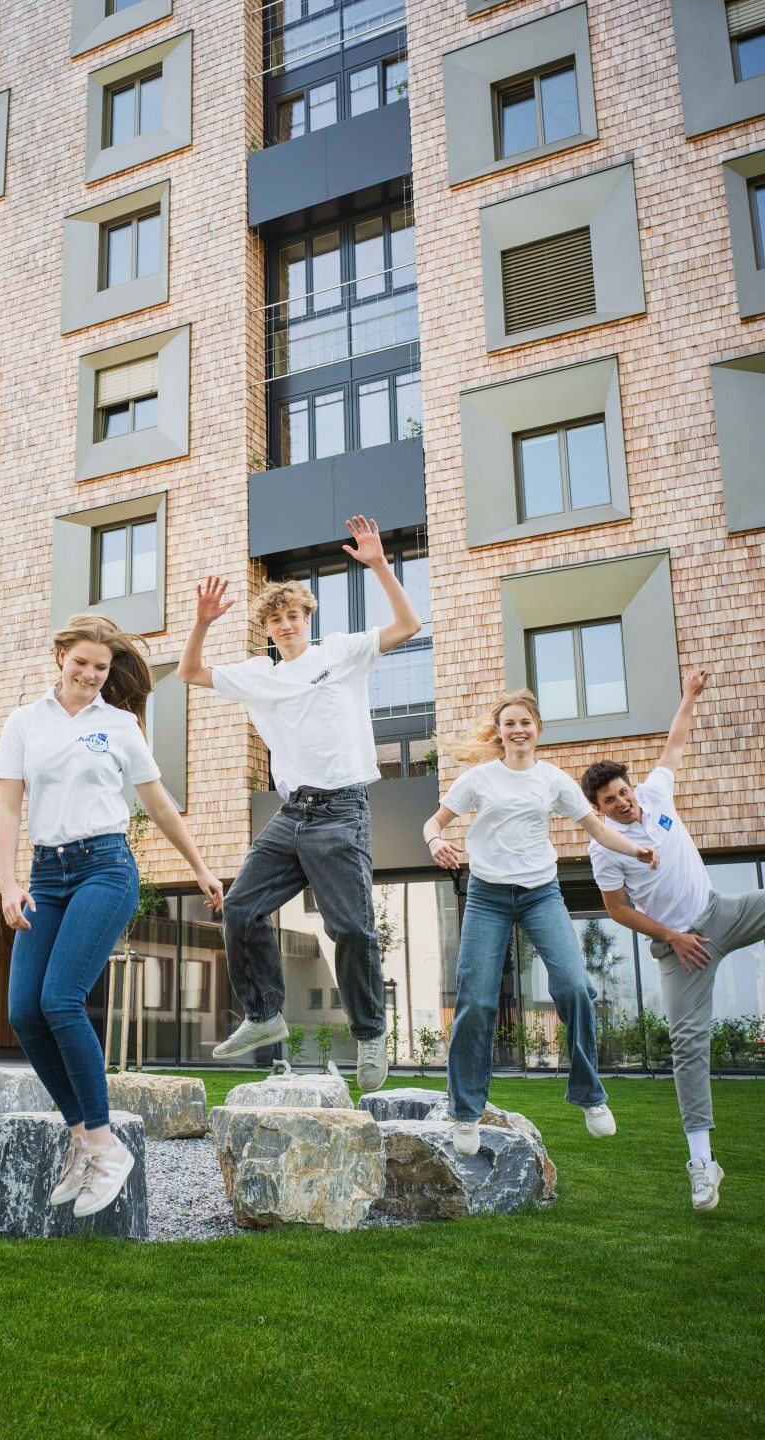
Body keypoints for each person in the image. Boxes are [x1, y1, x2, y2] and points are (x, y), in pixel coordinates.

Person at [178, 516, 422, 1092]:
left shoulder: (340, 652)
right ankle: (264, 1016)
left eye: (294, 616)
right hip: (292, 815)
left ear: (308, 620)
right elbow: (190, 671)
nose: (286, 625)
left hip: (342, 811)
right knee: (240, 907)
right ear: (266, 628)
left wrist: (379, 565)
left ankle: (368, 1033)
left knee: (352, 928)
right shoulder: (257, 674)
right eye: (276, 619)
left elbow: (409, 624)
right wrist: (202, 621)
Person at [0, 614, 223, 1219]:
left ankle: (103, 1143)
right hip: (45, 874)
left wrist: (199, 866)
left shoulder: (120, 726)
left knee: (61, 1000)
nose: (92, 675)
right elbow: (9, 811)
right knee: (24, 1009)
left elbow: (158, 803)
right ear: (60, 655)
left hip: (104, 866)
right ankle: (83, 1136)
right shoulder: (24, 722)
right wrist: (8, 883)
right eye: (83, 663)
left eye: (102, 667)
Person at [423, 691, 658, 1156]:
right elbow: (435, 822)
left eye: (525, 722)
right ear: (500, 732)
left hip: (541, 894)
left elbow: (597, 829)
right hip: (487, 896)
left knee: (573, 986)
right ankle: (466, 1111)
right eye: (509, 723)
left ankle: (590, 1096)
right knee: (476, 998)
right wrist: (434, 843)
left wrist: (636, 849)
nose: (518, 730)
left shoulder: (553, 780)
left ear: (537, 729)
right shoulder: (479, 778)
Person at [583, 667, 763, 1212]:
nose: (622, 803)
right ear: (598, 810)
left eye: (623, 791)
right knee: (690, 1051)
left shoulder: (657, 793)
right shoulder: (605, 849)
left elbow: (675, 742)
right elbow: (616, 911)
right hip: (680, 948)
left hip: (722, 911)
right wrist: (673, 937)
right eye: (610, 801)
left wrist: (687, 695)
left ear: (631, 787)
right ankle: (703, 1164)